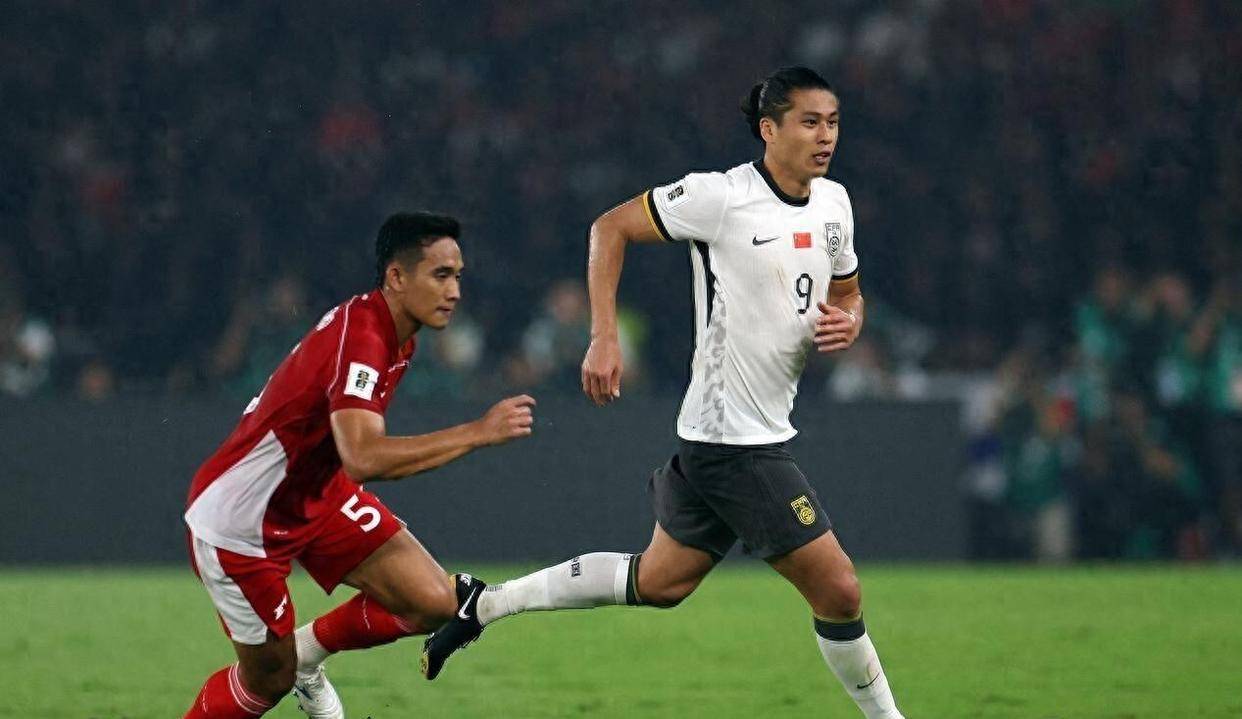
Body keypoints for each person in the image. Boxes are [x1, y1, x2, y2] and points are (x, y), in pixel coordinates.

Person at [422, 67, 904, 718]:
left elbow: (849, 294)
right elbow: (609, 228)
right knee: (840, 590)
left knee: (659, 580)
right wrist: (604, 336)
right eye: (810, 122)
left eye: (834, 123)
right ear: (769, 129)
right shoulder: (721, 197)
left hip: (742, 431)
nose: (826, 136)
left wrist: (852, 320)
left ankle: (484, 603)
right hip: (733, 440)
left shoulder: (835, 204)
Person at [181, 212, 536, 719]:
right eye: (440, 275)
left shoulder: (396, 334)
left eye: (458, 276)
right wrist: (477, 432)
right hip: (244, 521)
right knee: (267, 678)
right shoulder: (364, 338)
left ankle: (306, 655)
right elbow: (364, 456)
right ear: (396, 276)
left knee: (431, 601)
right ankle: (290, 667)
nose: (455, 291)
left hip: (316, 493)